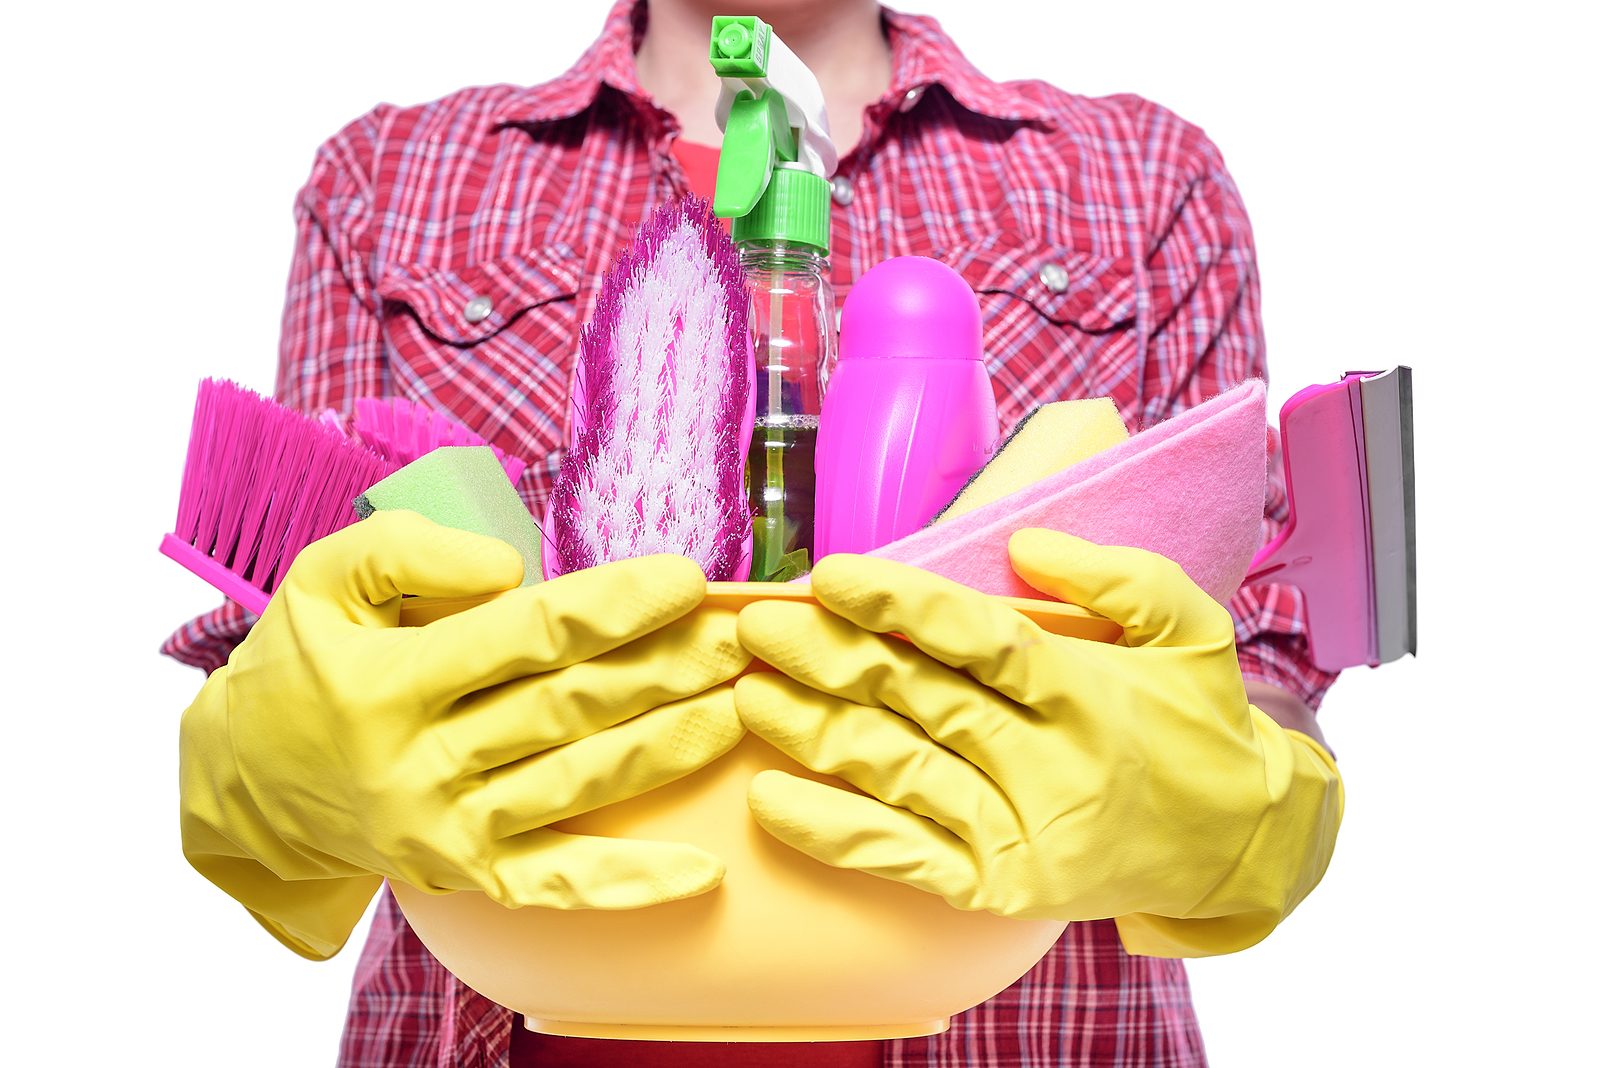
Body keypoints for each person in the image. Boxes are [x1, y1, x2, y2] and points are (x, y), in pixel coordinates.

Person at [167, 2, 1344, 1065]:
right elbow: (301, 637)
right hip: (512, 1001)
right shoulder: (392, 179)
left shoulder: (1139, 178)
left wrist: (1229, 796)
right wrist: (271, 767)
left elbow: (1247, 670)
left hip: (1018, 1015)